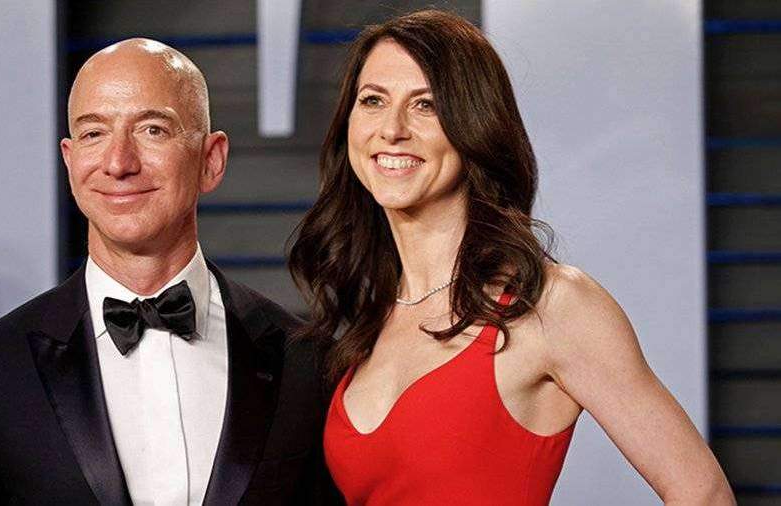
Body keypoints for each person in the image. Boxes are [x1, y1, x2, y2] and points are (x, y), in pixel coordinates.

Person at [288, 10, 735, 506]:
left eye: (426, 105)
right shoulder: (371, 318)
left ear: (474, 124)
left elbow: (704, 493)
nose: (392, 129)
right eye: (373, 100)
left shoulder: (552, 306)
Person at [0, 38, 338, 505]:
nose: (118, 163)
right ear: (70, 160)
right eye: (94, 134)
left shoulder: (306, 362)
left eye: (152, 130)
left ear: (211, 160)